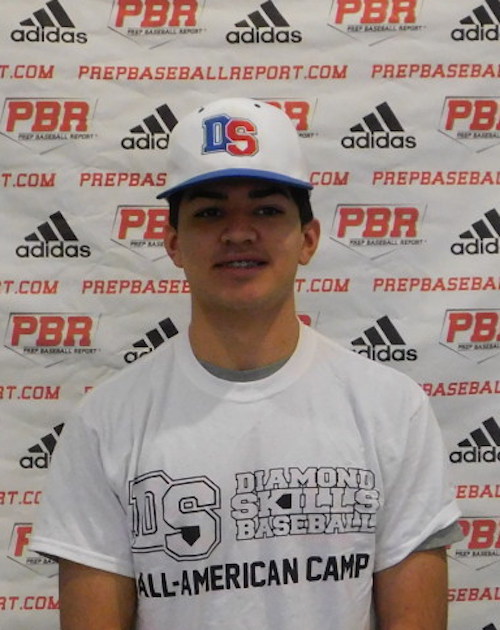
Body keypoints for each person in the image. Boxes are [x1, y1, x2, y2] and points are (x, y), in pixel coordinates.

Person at [31, 97, 462, 630]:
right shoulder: (105, 423)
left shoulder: (392, 408)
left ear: (308, 239)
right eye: (210, 213)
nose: (238, 232)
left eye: (266, 210)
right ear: (173, 243)